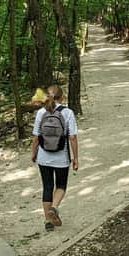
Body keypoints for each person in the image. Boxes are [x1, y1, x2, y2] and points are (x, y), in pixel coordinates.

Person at [31, 85, 79, 232]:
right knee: (61, 186)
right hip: (61, 157)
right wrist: (76, 158)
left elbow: (36, 138)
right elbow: (72, 137)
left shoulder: (40, 112)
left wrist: (34, 154)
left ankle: (48, 220)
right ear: (62, 97)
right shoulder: (68, 112)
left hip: (43, 157)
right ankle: (54, 208)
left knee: (47, 186)